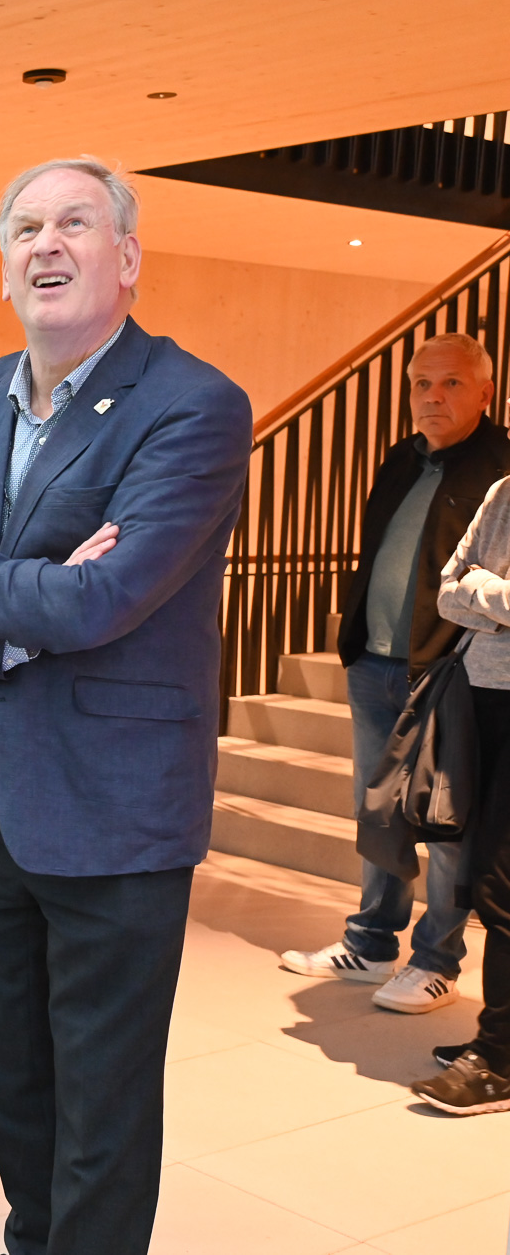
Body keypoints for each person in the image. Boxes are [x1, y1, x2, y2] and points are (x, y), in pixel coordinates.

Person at [0, 159, 252, 1254]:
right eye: (26, 226)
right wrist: (18, 607)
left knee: (103, 1103)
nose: (48, 242)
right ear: (3, 269)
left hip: (117, 810)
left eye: (76, 222)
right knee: (10, 1078)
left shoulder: (193, 404)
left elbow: (105, 598)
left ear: (126, 258)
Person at [281, 332, 510, 1011]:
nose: (432, 397)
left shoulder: (501, 470)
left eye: (451, 383)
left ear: (486, 393)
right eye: (421, 384)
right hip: (374, 662)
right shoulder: (400, 458)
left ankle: (437, 960)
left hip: (448, 672)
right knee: (377, 810)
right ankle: (372, 942)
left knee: (444, 819)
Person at [415, 475, 510, 1114]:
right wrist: (483, 591)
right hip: (482, 698)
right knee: (481, 874)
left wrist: (482, 588)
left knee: (503, 883)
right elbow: (446, 590)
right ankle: (498, 1036)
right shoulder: (503, 492)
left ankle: (498, 1061)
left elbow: (467, 587)